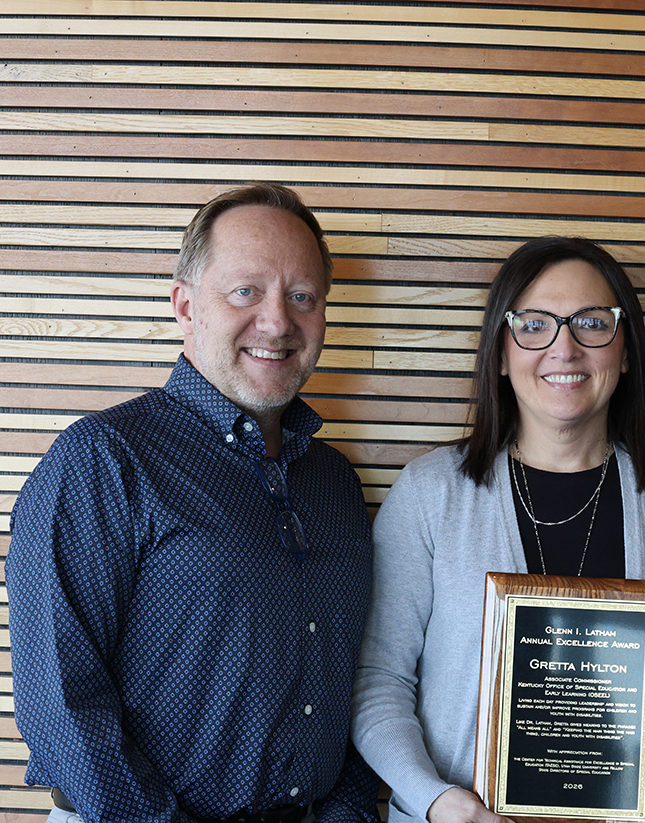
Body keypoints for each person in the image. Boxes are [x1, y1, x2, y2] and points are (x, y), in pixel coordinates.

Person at [351, 236, 645, 823]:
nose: (563, 348)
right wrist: (437, 802)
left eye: (592, 323)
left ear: (624, 351)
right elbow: (378, 681)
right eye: (534, 324)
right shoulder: (429, 494)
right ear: (499, 351)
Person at [7, 183, 380, 823]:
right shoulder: (105, 458)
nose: (277, 322)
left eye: (303, 297)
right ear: (185, 305)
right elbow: (62, 704)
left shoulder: (335, 483)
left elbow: (346, 687)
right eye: (246, 291)